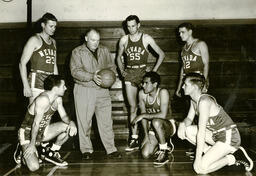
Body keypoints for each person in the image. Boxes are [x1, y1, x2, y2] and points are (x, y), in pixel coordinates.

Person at [177, 73, 253, 174]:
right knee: (187, 130)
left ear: (194, 87)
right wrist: (182, 124)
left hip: (228, 137)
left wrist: (198, 158)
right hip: (215, 135)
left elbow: (201, 132)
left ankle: (234, 157)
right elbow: (188, 119)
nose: (182, 86)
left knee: (200, 169)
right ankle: (212, 153)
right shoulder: (194, 101)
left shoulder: (204, 101)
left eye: (185, 84)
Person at [70, 29, 121, 160]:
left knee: (106, 121)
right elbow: (75, 71)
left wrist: (111, 75)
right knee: (84, 122)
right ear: (86, 38)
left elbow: (111, 66)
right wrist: (92, 76)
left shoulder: (104, 50)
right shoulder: (77, 52)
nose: (96, 43)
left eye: (98, 40)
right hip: (84, 89)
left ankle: (111, 149)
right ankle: (86, 150)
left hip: (102, 90)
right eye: (93, 40)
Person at [116, 15, 165, 151]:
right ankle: (134, 138)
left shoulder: (146, 38)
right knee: (132, 107)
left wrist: (153, 72)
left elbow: (161, 54)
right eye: (128, 26)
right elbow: (118, 57)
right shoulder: (124, 39)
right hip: (130, 73)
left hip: (143, 73)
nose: (131, 29)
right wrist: (121, 71)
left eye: (133, 25)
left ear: (138, 25)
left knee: (144, 107)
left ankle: (150, 136)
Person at [14, 75, 77, 172]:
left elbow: (64, 117)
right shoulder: (43, 100)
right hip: (28, 134)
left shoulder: (57, 99)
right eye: (63, 86)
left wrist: (71, 122)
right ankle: (21, 150)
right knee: (34, 167)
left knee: (69, 128)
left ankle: (51, 152)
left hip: (42, 131)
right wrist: (32, 144)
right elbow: (35, 124)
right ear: (55, 88)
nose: (66, 88)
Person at [132, 72, 176, 165]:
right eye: (143, 83)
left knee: (156, 121)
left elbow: (163, 115)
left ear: (155, 84)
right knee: (145, 154)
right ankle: (165, 145)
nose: (143, 85)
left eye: (146, 83)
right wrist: (146, 136)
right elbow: (142, 117)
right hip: (153, 127)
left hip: (167, 125)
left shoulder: (163, 92)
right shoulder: (142, 94)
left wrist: (143, 115)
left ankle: (163, 151)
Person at [19, 12, 58, 104]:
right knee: (36, 112)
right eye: (51, 26)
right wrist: (25, 85)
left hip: (50, 80)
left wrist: (57, 84)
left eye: (55, 27)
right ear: (43, 25)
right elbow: (22, 63)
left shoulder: (53, 42)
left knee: (48, 113)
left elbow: (54, 64)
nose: (53, 29)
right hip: (36, 80)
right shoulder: (34, 39)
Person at [175, 22, 209, 97]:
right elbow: (182, 69)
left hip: (198, 80)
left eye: (183, 32)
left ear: (190, 32)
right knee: (191, 106)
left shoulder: (200, 44)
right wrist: (179, 87)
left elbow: (206, 65)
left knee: (200, 104)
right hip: (188, 81)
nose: (180, 35)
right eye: (179, 33)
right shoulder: (183, 49)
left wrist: (204, 83)